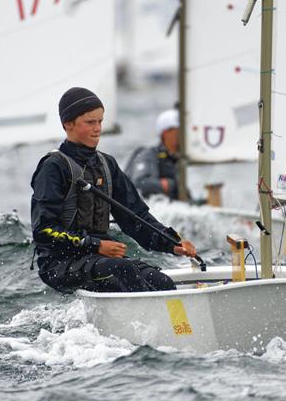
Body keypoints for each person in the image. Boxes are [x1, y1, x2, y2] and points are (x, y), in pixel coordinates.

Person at [31, 87, 197, 293]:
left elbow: (136, 218)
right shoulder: (53, 167)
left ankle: (174, 324)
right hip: (59, 264)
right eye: (90, 122)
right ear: (68, 124)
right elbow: (43, 230)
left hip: (100, 259)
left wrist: (172, 243)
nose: (97, 128)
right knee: (123, 270)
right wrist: (95, 245)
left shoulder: (106, 164)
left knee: (161, 281)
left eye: (100, 121)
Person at [126, 108, 188, 201]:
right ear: (166, 133)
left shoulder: (176, 160)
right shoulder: (148, 154)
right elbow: (139, 183)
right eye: (179, 130)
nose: (185, 134)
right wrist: (168, 185)